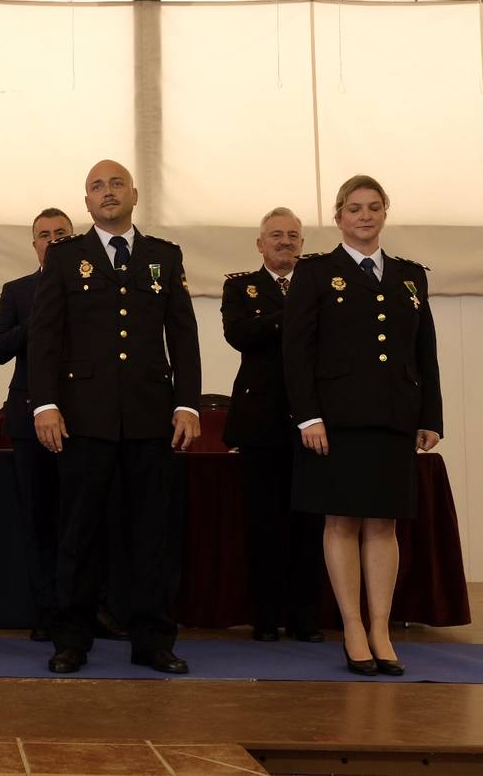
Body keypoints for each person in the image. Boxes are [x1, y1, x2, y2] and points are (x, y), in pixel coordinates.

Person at [28, 159, 201, 675]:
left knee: (152, 534)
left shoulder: (163, 257)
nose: (107, 193)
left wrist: (187, 404)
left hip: (150, 419)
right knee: (78, 534)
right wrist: (45, 404)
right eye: (97, 187)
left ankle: (152, 639)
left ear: (135, 194)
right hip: (83, 420)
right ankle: (72, 638)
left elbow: (184, 337)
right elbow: (44, 338)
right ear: (86, 203)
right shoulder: (65, 257)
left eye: (116, 184)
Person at [284, 174, 442, 677]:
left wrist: (430, 415)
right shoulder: (314, 273)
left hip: (394, 417)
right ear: (338, 217)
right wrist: (308, 415)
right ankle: (352, 625)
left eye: (374, 207)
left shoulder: (409, 275)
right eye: (355, 208)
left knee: (383, 523)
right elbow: (297, 352)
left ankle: (380, 627)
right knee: (342, 521)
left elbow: (426, 352)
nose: (365, 216)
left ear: (385, 213)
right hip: (336, 421)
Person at [221, 207, 324, 644]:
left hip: (312, 422)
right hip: (260, 423)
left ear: (302, 243)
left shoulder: (321, 284)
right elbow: (241, 334)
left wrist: (284, 317)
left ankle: (304, 618)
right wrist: (295, 315)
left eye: (293, 235)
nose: (285, 241)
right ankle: (265, 617)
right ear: (260, 244)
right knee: (263, 526)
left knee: (309, 526)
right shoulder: (239, 286)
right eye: (276, 235)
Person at [0, 207, 72, 641]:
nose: (53, 241)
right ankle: (47, 613)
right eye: (45, 235)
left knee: (78, 520)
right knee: (38, 521)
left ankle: (83, 610)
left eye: (62, 234)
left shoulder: (92, 287)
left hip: (81, 419)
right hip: (27, 419)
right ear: (34, 243)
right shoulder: (18, 291)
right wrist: (36, 317)